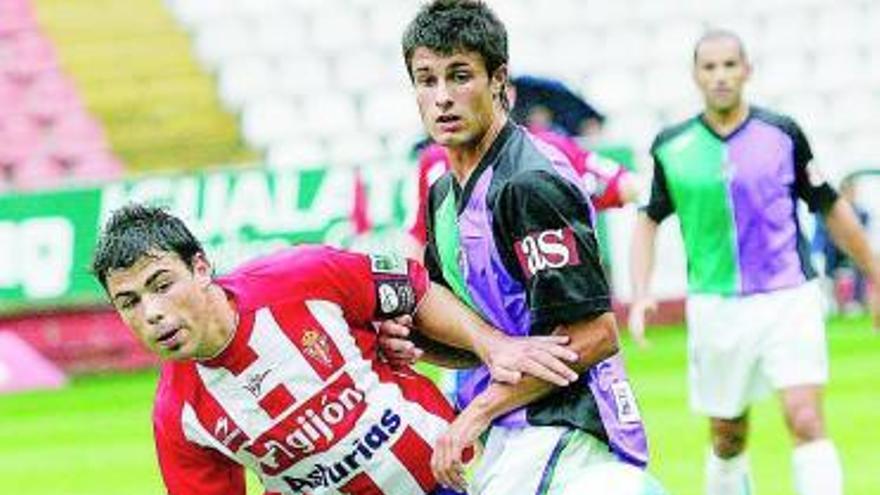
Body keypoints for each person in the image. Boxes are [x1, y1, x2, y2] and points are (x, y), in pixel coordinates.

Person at [90, 203, 585, 495]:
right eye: (128, 302)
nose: (151, 313)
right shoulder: (177, 415)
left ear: (200, 268)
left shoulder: (299, 277)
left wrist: (492, 345)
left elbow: (413, 288)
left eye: (161, 284)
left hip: (456, 479)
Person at [392, 2, 665, 494]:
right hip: (511, 425)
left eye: (460, 76)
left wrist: (474, 414)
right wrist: (407, 343)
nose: (443, 98)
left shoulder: (528, 183)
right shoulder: (442, 192)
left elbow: (595, 334)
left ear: (499, 80)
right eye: (426, 80)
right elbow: (477, 333)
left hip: (564, 424)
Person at [628, 29, 880, 495]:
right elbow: (647, 220)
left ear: (747, 70)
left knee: (805, 417)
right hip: (715, 306)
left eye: (729, 65)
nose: (720, 76)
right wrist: (641, 292)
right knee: (727, 436)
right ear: (695, 75)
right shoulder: (671, 146)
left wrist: (875, 274)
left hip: (789, 296)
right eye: (710, 67)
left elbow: (830, 206)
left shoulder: (782, 134)